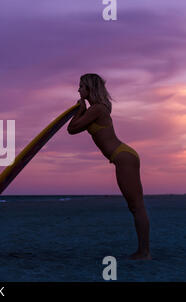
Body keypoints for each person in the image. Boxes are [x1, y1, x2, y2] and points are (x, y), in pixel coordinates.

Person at [67, 73, 151, 260]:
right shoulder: (96, 109)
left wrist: (80, 110)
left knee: (137, 206)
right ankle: (143, 251)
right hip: (122, 156)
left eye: (81, 86)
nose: (78, 89)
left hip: (123, 158)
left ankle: (145, 252)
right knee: (134, 206)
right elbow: (73, 128)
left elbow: (72, 129)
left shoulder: (97, 109)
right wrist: (81, 110)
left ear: (90, 89)